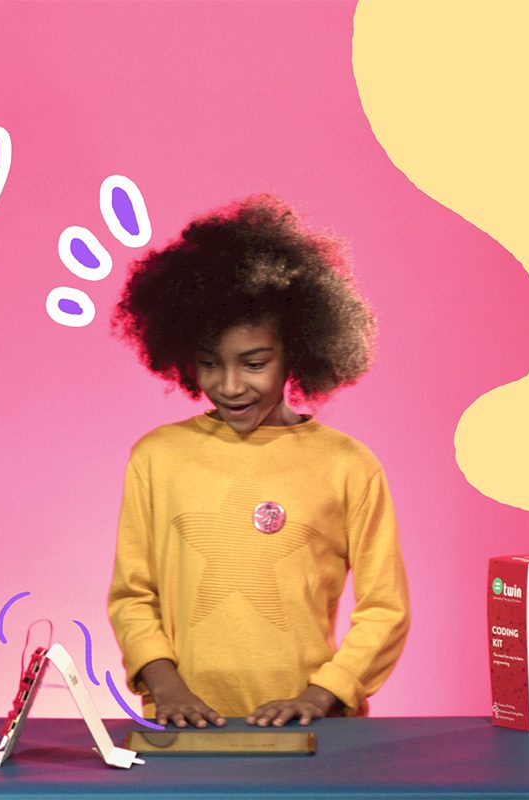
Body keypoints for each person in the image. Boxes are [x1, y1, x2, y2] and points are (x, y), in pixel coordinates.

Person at [108, 195, 409, 728]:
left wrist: (321, 696)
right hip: (185, 728)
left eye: (254, 363)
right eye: (208, 363)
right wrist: (167, 688)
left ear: (295, 349)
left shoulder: (348, 465)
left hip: (314, 731)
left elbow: (385, 609)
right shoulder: (156, 457)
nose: (229, 385)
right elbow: (133, 595)